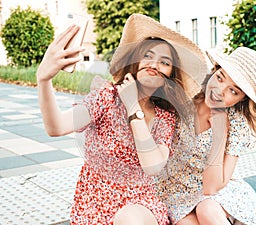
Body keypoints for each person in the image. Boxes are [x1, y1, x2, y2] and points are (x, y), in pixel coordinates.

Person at [36, 14, 207, 225]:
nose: (154, 64)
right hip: (94, 204)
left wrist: (133, 106)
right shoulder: (106, 97)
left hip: (140, 205)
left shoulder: (165, 117)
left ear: (170, 75)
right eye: (148, 56)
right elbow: (57, 127)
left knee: (130, 218)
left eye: (165, 62)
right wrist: (44, 79)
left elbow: (152, 165)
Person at [154, 46, 256, 225]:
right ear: (213, 72)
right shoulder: (184, 102)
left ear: (242, 99)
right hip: (176, 190)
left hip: (216, 193)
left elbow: (211, 187)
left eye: (234, 91)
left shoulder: (237, 123)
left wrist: (220, 131)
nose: (219, 90)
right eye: (220, 78)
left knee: (206, 209)